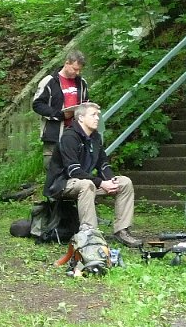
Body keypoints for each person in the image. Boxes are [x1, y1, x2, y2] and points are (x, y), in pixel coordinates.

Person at [43, 102, 142, 248]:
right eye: (93, 115)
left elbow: (103, 164)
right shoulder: (69, 137)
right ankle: (90, 235)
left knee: (124, 182)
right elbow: (73, 171)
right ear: (81, 118)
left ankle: (122, 231)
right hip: (62, 183)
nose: (97, 118)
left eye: (98, 115)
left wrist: (111, 180)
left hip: (85, 181)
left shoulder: (95, 138)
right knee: (87, 184)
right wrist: (101, 183)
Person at [32, 50, 89, 170]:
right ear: (67, 63)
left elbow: (86, 102)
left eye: (79, 70)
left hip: (76, 134)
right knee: (52, 169)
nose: (77, 73)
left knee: (75, 169)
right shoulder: (49, 81)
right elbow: (37, 104)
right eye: (75, 69)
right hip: (54, 134)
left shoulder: (82, 83)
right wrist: (60, 115)